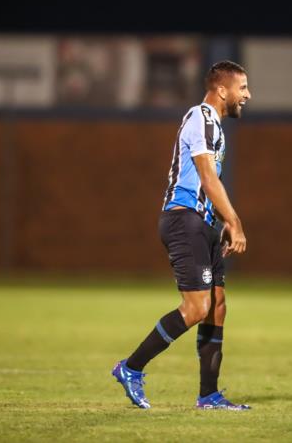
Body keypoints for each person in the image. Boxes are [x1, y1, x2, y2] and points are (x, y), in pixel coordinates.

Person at [112, 60, 252, 410]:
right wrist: (234, 222)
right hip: (183, 221)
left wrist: (218, 222)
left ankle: (209, 395)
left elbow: (208, 186)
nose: (247, 95)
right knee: (196, 307)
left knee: (216, 306)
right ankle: (131, 367)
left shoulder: (216, 126)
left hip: (202, 223)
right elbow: (207, 178)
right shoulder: (200, 119)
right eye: (243, 87)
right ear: (223, 90)